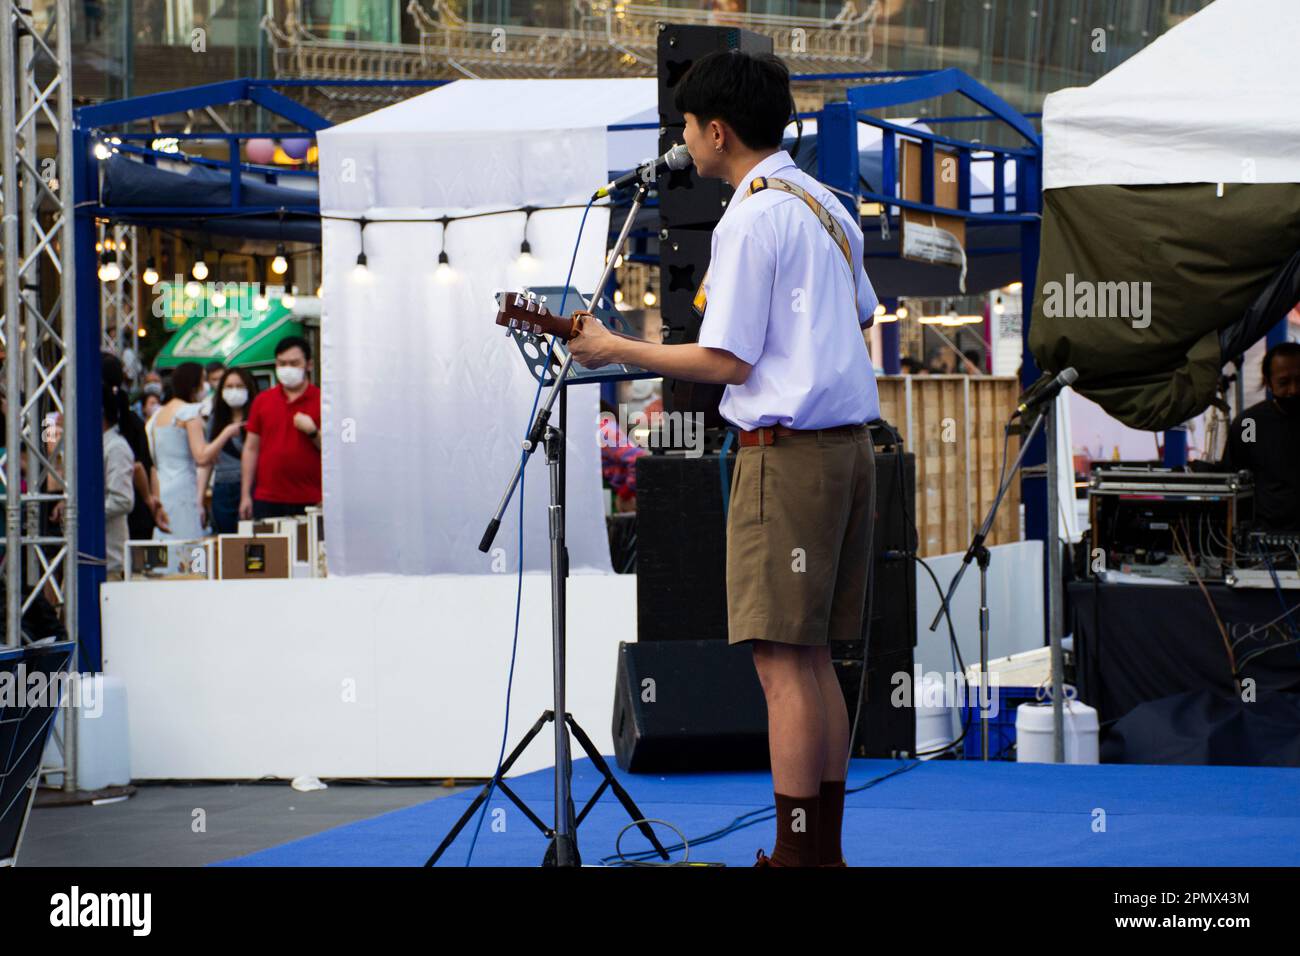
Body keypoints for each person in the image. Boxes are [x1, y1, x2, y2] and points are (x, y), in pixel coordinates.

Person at [568, 50, 878, 867]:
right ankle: (820, 854)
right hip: (848, 453)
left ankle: (793, 855)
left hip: (788, 456)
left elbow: (726, 361)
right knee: (815, 661)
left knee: (781, 664)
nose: (682, 142)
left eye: (685, 127)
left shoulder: (750, 215)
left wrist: (613, 348)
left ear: (716, 129)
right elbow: (862, 317)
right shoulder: (825, 204)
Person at [147, 361, 243, 540]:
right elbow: (201, 455)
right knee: (191, 544)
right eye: (203, 380)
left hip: (162, 489)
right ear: (194, 385)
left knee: (167, 545)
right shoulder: (190, 412)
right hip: (184, 489)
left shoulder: (158, 414)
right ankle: (197, 569)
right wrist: (227, 433)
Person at [239, 336, 322, 520]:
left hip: (311, 498)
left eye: (294, 363)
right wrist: (245, 495)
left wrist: (313, 432)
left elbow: (334, 452)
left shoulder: (323, 400)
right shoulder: (263, 400)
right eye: (282, 363)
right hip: (268, 498)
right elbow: (251, 448)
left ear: (308, 365)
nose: (287, 369)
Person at [1224, 341, 1300, 531]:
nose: (1294, 390)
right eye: (1284, 382)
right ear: (1267, 382)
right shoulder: (1251, 424)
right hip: (1266, 537)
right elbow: (1237, 472)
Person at [102, 352, 169, 541]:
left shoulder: (115, 438)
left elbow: (139, 466)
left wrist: (150, 500)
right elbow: (149, 466)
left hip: (121, 518)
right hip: (136, 511)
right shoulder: (133, 421)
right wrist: (153, 501)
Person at [199, 367, 258, 534]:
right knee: (225, 542)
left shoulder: (256, 417)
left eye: (239, 386)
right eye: (229, 386)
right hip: (222, 489)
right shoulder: (215, 420)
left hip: (251, 487)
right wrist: (200, 498)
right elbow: (207, 461)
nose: (234, 391)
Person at [100, 379, 136, 579]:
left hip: (110, 561)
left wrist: (83, 514)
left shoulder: (116, 447)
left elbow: (122, 500)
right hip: (91, 557)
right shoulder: (100, 444)